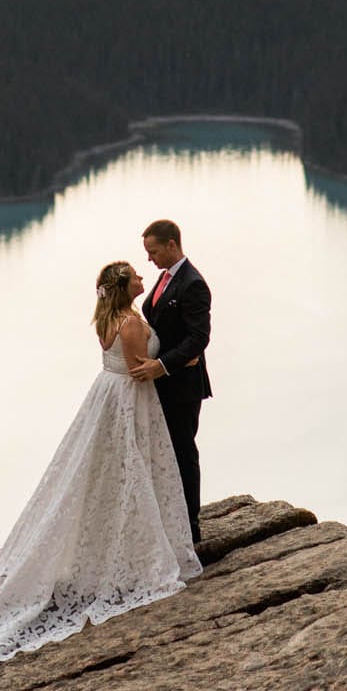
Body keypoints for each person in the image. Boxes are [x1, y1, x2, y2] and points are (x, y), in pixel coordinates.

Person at [0, 257, 200, 687]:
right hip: (129, 401)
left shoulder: (107, 318)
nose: (142, 278)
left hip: (106, 397)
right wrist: (170, 365)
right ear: (124, 285)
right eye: (136, 276)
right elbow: (137, 371)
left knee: (107, 476)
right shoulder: (130, 323)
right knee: (132, 473)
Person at [130, 219, 211, 546]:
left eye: (153, 251)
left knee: (182, 454)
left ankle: (190, 530)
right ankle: (169, 522)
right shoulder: (165, 278)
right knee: (164, 453)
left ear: (171, 245)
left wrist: (162, 365)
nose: (149, 259)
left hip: (181, 387)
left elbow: (198, 339)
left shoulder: (193, 283)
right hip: (162, 385)